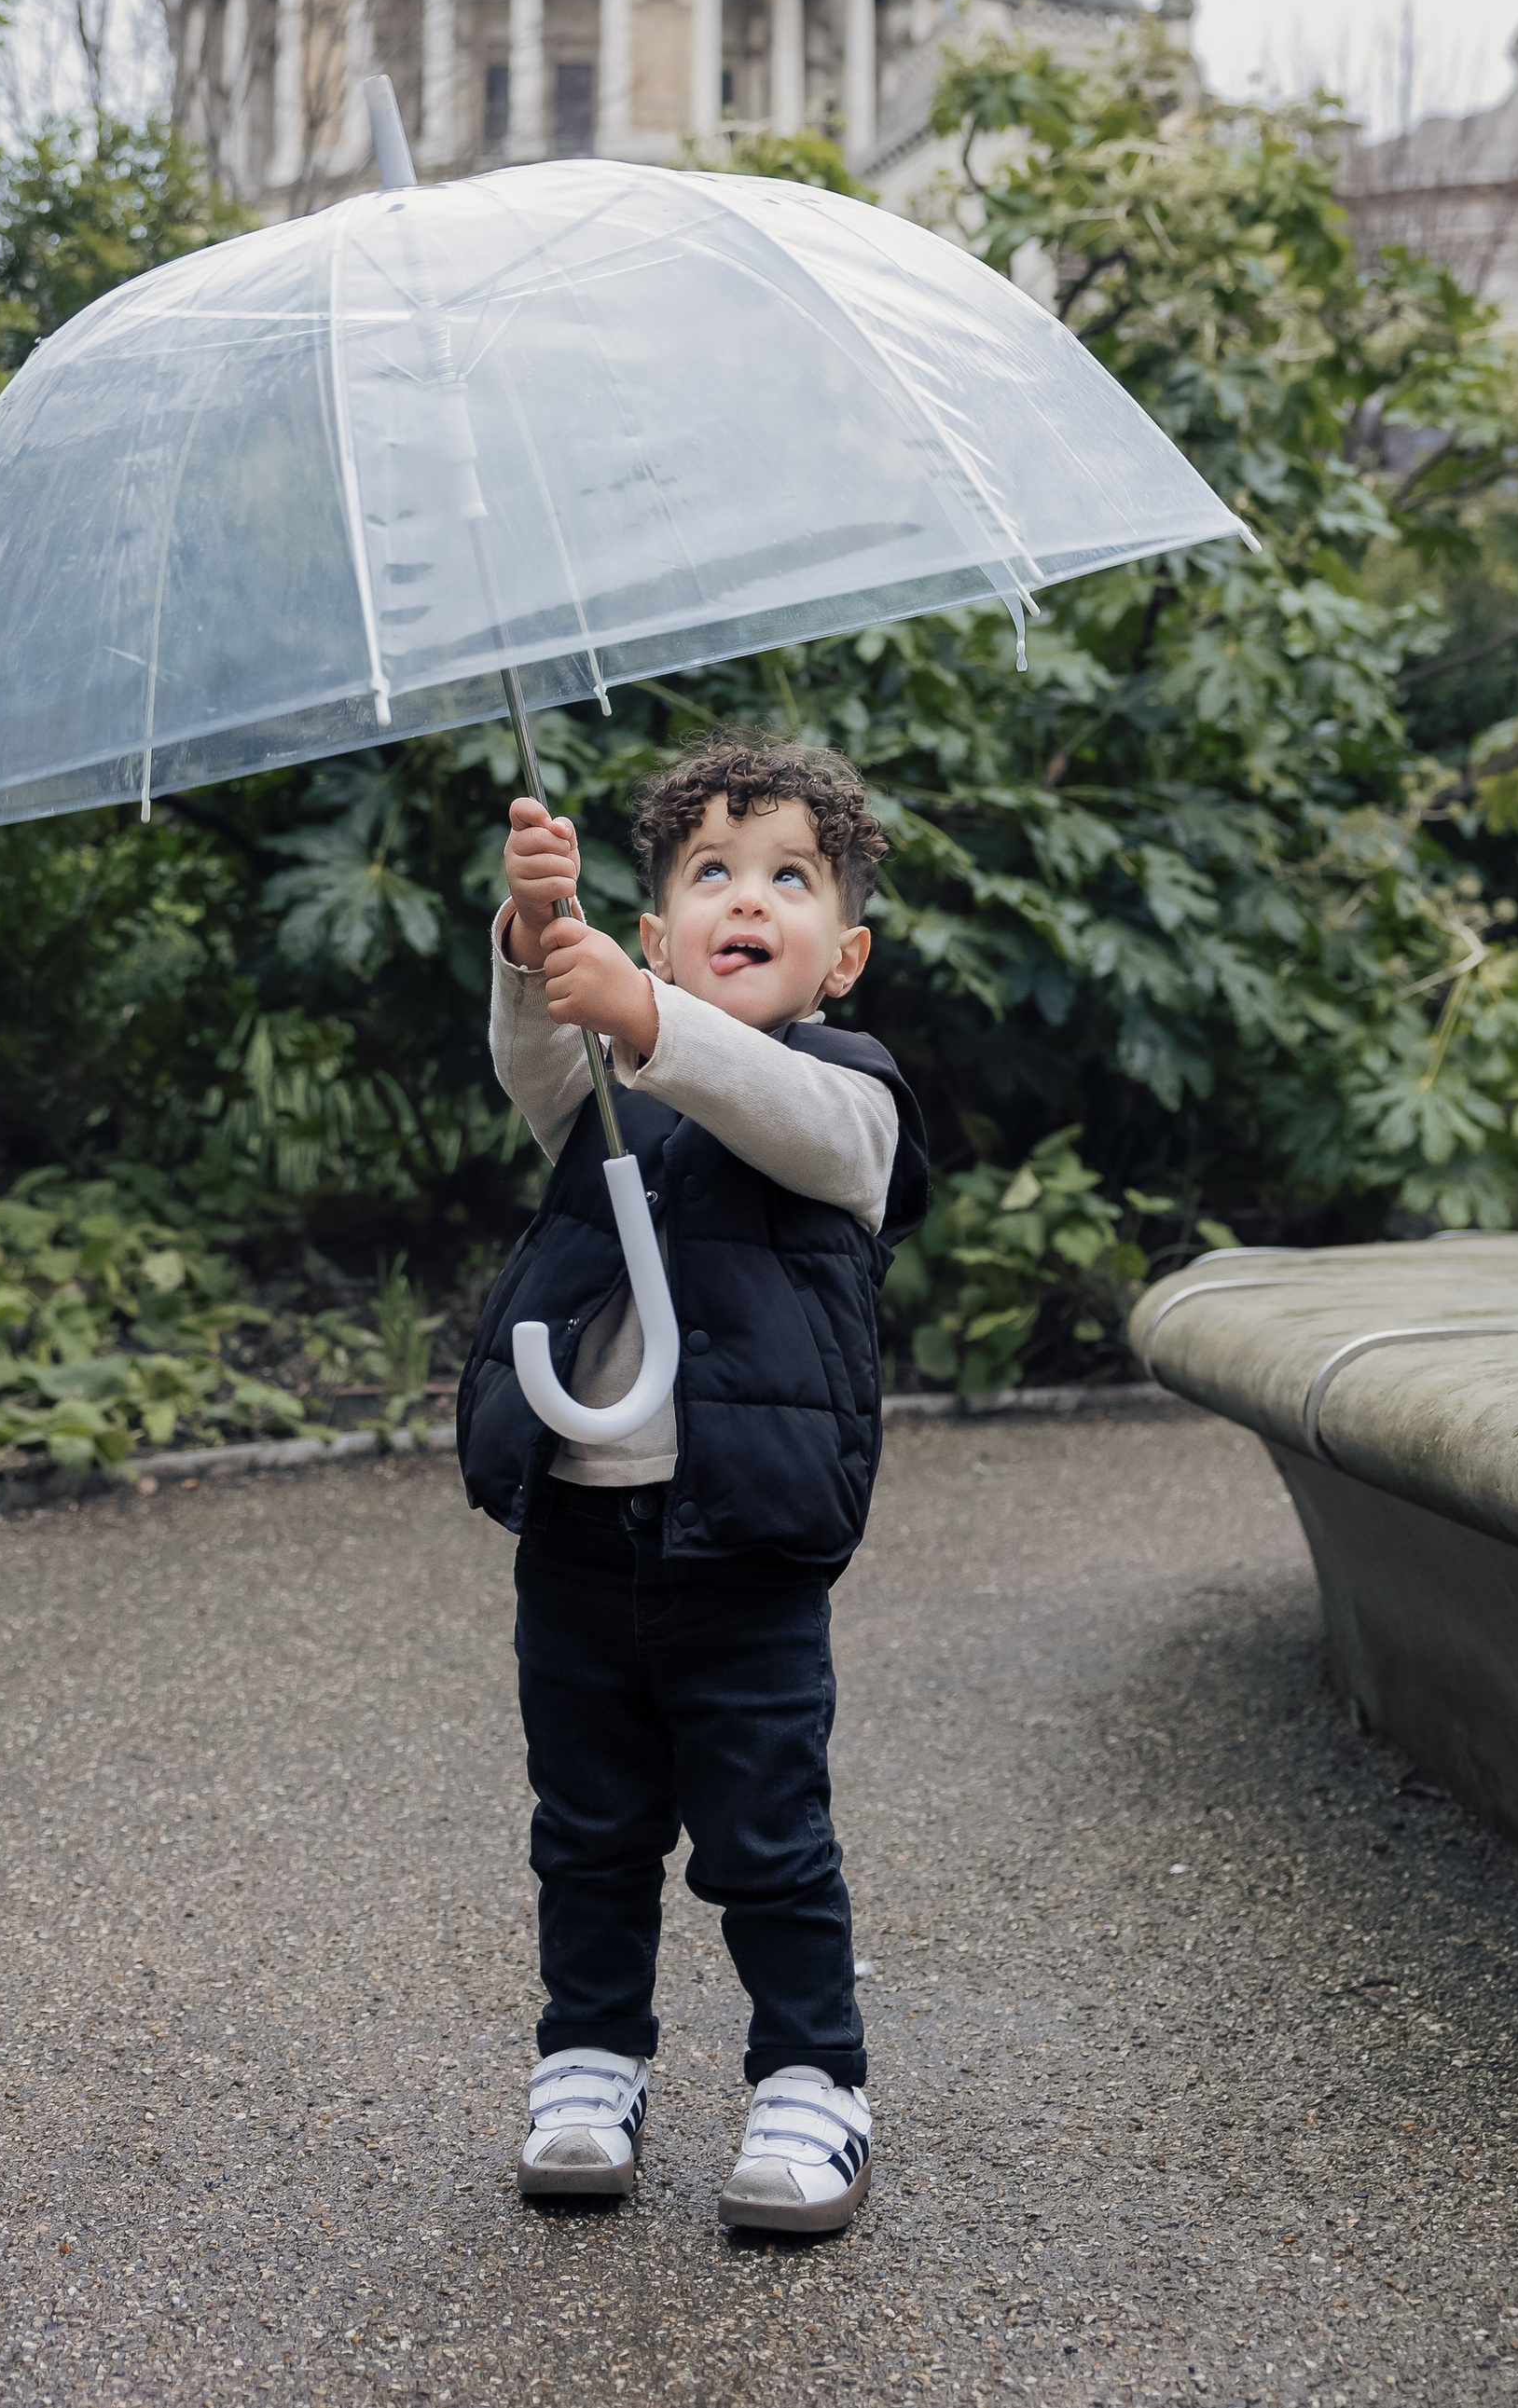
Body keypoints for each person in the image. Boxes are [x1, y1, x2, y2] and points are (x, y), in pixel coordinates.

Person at [454, 733, 927, 2236]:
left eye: (788, 877)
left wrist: (646, 1015)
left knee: (765, 1835)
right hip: (585, 1541)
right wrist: (540, 952)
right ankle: (590, 2061)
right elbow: (550, 1066)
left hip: (746, 1553)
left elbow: (778, 1114)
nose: (748, 896)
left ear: (840, 951)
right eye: (710, 872)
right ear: (655, 927)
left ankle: (814, 2080)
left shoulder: (847, 1100)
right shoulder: (620, 1094)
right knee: (586, 1826)